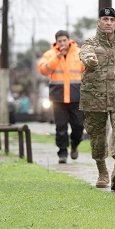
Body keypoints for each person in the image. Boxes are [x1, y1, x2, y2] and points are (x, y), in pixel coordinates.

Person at [79, 7, 115, 190]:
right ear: (99, 22)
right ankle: (102, 171)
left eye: (111, 20)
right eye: (105, 19)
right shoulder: (91, 42)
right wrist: (90, 60)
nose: (108, 23)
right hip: (94, 98)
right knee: (97, 137)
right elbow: (84, 53)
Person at [37, 30, 85, 164]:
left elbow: (87, 69)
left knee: (78, 126)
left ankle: (75, 145)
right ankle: (62, 153)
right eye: (60, 41)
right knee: (61, 127)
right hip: (58, 98)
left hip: (77, 97)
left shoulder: (79, 53)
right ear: (56, 42)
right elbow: (42, 70)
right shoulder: (50, 54)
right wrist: (57, 58)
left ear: (69, 40)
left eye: (64, 40)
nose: (62, 43)